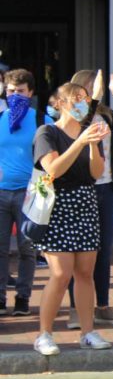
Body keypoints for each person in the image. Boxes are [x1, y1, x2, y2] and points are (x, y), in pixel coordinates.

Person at [32, 82, 112, 355]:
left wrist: (93, 145)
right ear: (60, 103)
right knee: (60, 273)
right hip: (58, 205)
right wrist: (80, 141)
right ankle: (44, 334)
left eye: (86, 99)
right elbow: (52, 169)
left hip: (85, 203)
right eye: (76, 99)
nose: (82, 104)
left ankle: (88, 332)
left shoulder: (89, 132)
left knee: (85, 273)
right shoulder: (48, 132)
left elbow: (96, 173)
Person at [63, 67, 113, 329]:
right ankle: (75, 309)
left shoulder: (103, 113)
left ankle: (102, 305)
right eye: (95, 86)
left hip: (107, 188)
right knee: (79, 249)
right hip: (84, 188)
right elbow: (82, 123)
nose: (99, 89)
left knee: (103, 249)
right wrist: (92, 98)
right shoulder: (75, 114)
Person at [0, 69, 51, 317]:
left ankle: (22, 297)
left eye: (20, 91)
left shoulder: (42, 119)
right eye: (10, 91)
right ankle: (0, 298)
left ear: (30, 93)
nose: (15, 95)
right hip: (0, 192)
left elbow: (56, 151)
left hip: (30, 192)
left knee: (26, 248)